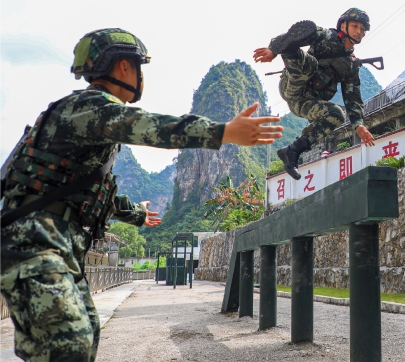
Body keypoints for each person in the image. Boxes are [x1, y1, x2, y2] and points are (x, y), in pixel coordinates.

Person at [0, 28, 283, 362]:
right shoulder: (89, 108)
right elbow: (148, 126)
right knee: (68, 344)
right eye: (139, 67)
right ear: (123, 67)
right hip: (33, 243)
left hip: (59, 245)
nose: (141, 77)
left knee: (84, 335)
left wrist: (135, 213)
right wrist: (221, 132)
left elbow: (87, 192)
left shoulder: (87, 118)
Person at [253, 8, 375, 180]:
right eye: (355, 26)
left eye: (362, 29)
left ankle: (292, 152)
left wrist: (359, 124)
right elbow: (290, 35)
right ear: (343, 25)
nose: (359, 32)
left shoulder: (351, 65)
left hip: (305, 103)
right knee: (308, 62)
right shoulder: (325, 36)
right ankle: (289, 51)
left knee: (337, 114)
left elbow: (353, 98)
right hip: (293, 85)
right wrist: (273, 49)